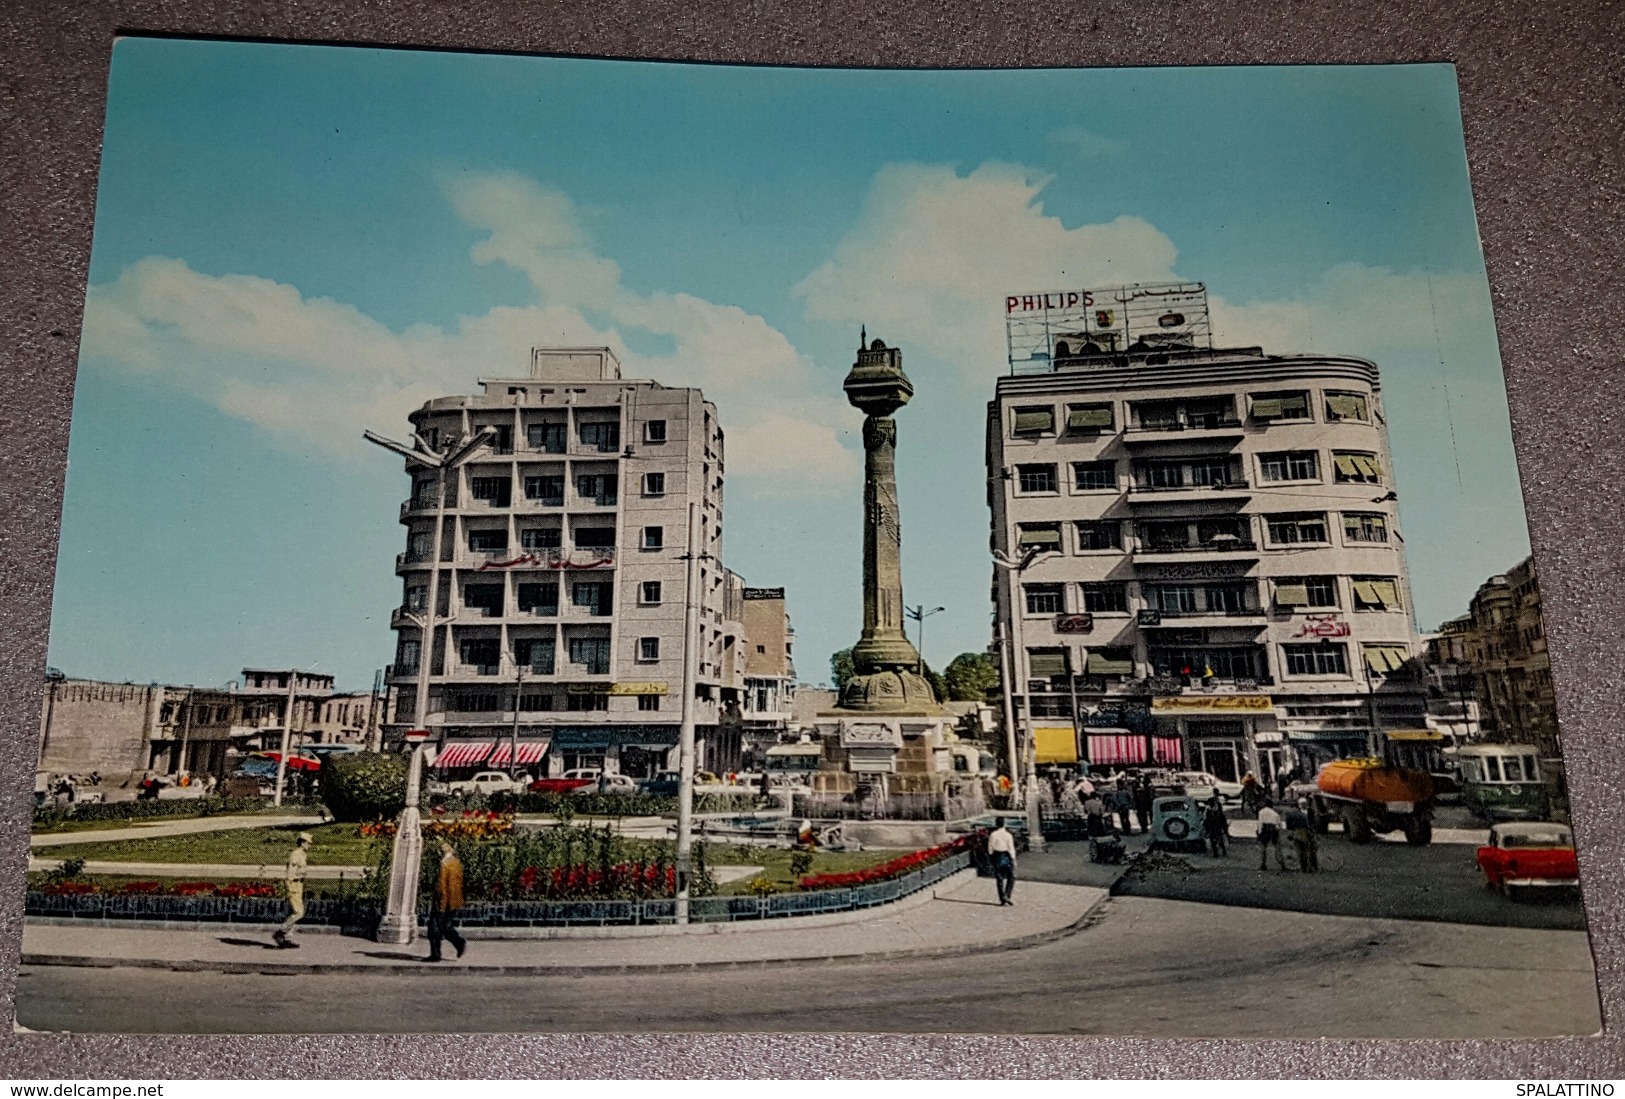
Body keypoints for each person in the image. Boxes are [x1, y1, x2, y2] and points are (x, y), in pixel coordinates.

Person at [427, 840, 467, 962]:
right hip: (453, 901)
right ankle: (456, 944)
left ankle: (438, 953)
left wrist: (441, 905)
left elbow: (443, 887)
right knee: (443, 926)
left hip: (443, 902)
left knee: (434, 928)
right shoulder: (456, 863)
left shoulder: (444, 864)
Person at [273, 832, 312, 949]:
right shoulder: (296, 855)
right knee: (298, 913)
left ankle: (287, 938)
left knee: (294, 912)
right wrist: (289, 886)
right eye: (308, 843)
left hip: (299, 884)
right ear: (302, 842)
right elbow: (291, 871)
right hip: (293, 884)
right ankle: (280, 932)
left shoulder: (303, 854)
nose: (309, 845)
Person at [987, 817, 1018, 906]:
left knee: (999, 878)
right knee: (1011, 877)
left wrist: (991, 856)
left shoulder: (993, 834)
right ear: (1004, 824)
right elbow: (1011, 848)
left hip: (997, 855)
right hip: (1006, 855)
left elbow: (990, 848)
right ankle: (1007, 894)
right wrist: (1013, 859)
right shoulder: (1008, 835)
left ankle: (1002, 898)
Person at [1286, 798, 1319, 872]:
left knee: (1302, 851)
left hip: (1299, 832)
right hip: (1305, 832)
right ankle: (1308, 867)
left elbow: (1289, 825)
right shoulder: (1303, 814)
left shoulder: (1308, 812)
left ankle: (1306, 866)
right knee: (1307, 850)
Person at [1256, 801, 1287, 871]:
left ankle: (1263, 864)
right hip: (1273, 829)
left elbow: (1260, 822)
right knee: (1277, 847)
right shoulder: (1275, 814)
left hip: (1264, 829)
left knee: (1263, 848)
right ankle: (1282, 865)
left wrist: (1259, 832)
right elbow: (1279, 825)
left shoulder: (1261, 812)